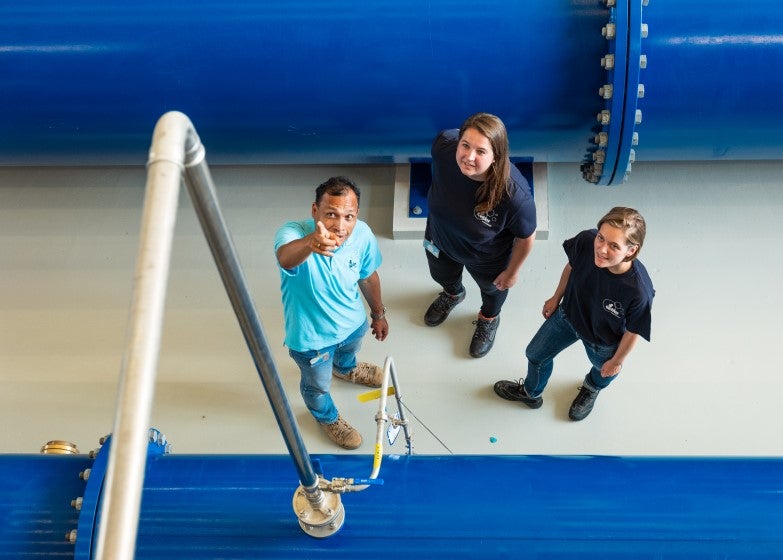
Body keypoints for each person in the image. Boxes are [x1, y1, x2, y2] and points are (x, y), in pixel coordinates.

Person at [493, 207, 655, 421]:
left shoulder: (639, 291)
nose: (602, 249)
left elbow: (633, 331)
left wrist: (617, 360)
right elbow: (571, 266)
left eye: (614, 246)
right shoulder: (586, 242)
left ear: (631, 250)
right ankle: (531, 394)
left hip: (603, 341)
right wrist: (556, 296)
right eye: (601, 238)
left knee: (603, 371)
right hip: (567, 317)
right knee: (535, 354)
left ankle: (591, 388)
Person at [274, 176, 389, 449]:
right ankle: (327, 418)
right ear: (315, 211)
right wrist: (311, 243)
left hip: (353, 325)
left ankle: (346, 369)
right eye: (331, 214)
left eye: (348, 216)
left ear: (357, 214)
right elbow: (284, 257)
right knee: (317, 386)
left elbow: (368, 276)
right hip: (313, 342)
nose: (340, 225)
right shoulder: (292, 234)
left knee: (349, 352)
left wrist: (378, 314)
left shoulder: (362, 233)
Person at [423, 113, 537, 358]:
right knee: (441, 274)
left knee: (492, 291)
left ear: (497, 155)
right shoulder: (444, 147)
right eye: (465, 145)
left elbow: (526, 237)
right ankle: (453, 293)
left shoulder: (514, 196)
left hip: (486, 257)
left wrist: (511, 272)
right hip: (439, 238)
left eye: (481, 151)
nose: (469, 157)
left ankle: (488, 318)